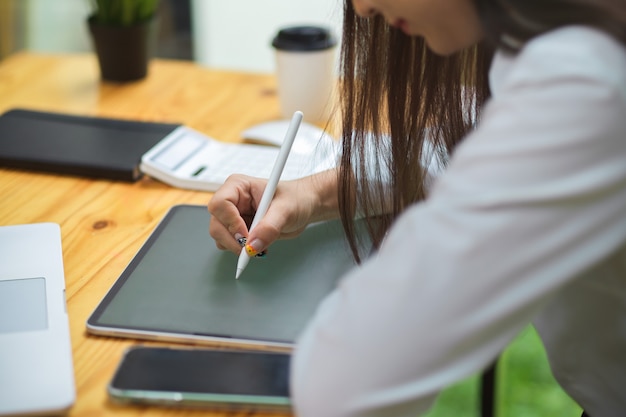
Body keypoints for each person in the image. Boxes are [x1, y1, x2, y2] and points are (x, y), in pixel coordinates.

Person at [208, 0, 626, 415]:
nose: (365, 8)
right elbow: (462, 148)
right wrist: (313, 193)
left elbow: (345, 383)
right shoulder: (550, 44)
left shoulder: (584, 85)